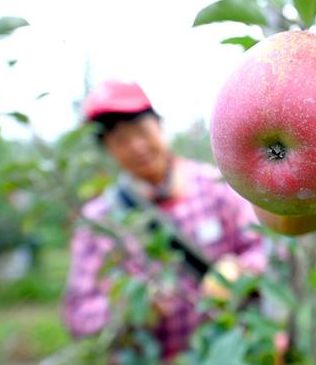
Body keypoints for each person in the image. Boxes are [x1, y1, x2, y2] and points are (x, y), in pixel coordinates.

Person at [62, 79, 269, 362]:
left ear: (159, 126)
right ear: (108, 151)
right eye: (120, 140)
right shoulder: (99, 221)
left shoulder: (215, 186)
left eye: (141, 131)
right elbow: (76, 314)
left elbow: (267, 247)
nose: (136, 146)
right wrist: (133, 307)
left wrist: (242, 271)